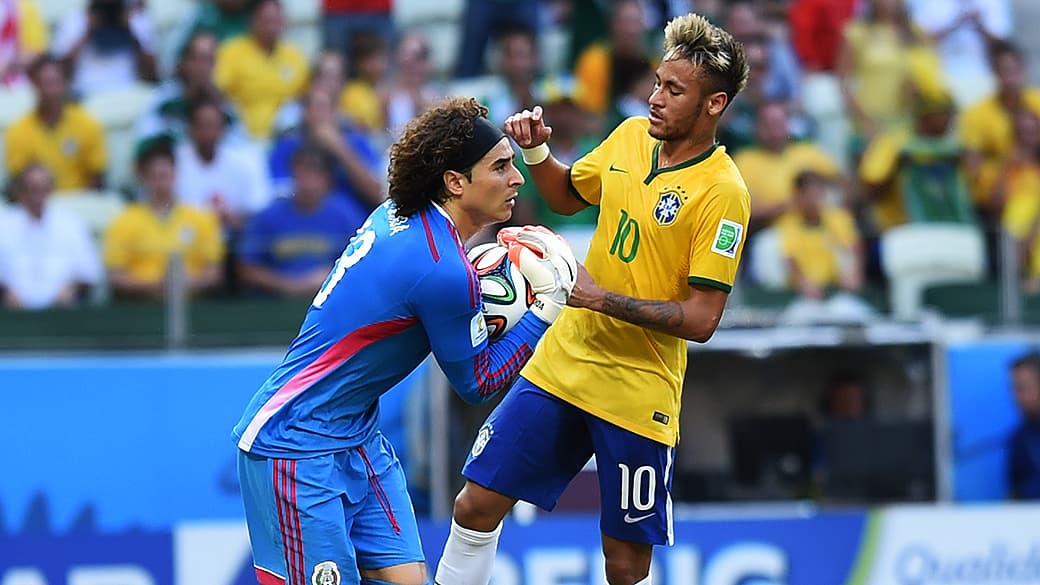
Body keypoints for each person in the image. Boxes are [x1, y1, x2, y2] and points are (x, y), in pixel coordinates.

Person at [435, 14, 751, 585]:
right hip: (564, 364)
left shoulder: (723, 192)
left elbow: (703, 319)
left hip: (638, 388)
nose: (654, 98)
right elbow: (564, 195)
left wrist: (600, 298)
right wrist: (536, 155)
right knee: (474, 506)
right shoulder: (632, 137)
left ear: (714, 104)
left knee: (626, 564)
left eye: (673, 91)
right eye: (656, 82)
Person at [232, 97, 592, 585]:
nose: (517, 179)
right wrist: (546, 307)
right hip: (295, 445)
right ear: (455, 181)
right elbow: (478, 382)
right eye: (501, 167)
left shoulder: (401, 216)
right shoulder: (442, 269)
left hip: (356, 436)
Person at [237, 145, 368, 298]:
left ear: (327, 179)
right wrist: (285, 284)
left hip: (331, 300)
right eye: (302, 173)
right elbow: (246, 268)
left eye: (314, 174)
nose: (307, 182)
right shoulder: (269, 216)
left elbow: (364, 263)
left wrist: (329, 276)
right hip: (275, 303)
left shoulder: (347, 215)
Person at [103, 140, 224, 300]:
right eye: (155, 176)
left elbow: (214, 272)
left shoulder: (202, 219)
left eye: (166, 175)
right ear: (144, 178)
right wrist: (156, 285)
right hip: (141, 307)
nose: (161, 184)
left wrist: (186, 283)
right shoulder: (123, 222)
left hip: (193, 305)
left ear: (176, 174)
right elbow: (116, 276)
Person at [0, 164, 101, 309]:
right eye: (31, 188)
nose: (36, 195)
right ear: (20, 190)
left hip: (63, 314)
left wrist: (71, 290)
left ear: (50, 189)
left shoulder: (72, 224)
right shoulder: (3, 224)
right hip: (10, 313)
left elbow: (88, 272)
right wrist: (5, 293)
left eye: (42, 188)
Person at [1008, 352, 1040, 500]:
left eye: (1021, 388)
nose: (1016, 397)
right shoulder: (1020, 438)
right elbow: (1016, 492)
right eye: (1014, 389)